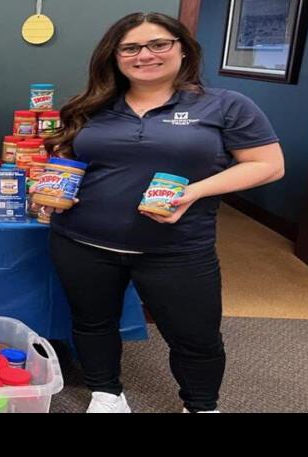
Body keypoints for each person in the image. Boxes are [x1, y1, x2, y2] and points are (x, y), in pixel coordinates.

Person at [44, 12, 284, 413]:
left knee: (196, 336)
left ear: (183, 49)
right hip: (82, 241)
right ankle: (106, 395)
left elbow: (268, 165)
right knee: (92, 322)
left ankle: (201, 405)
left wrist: (194, 192)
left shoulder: (225, 105)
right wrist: (53, 189)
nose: (145, 55)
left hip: (177, 247)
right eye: (130, 48)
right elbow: (70, 161)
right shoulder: (89, 106)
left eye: (159, 44)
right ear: (114, 56)